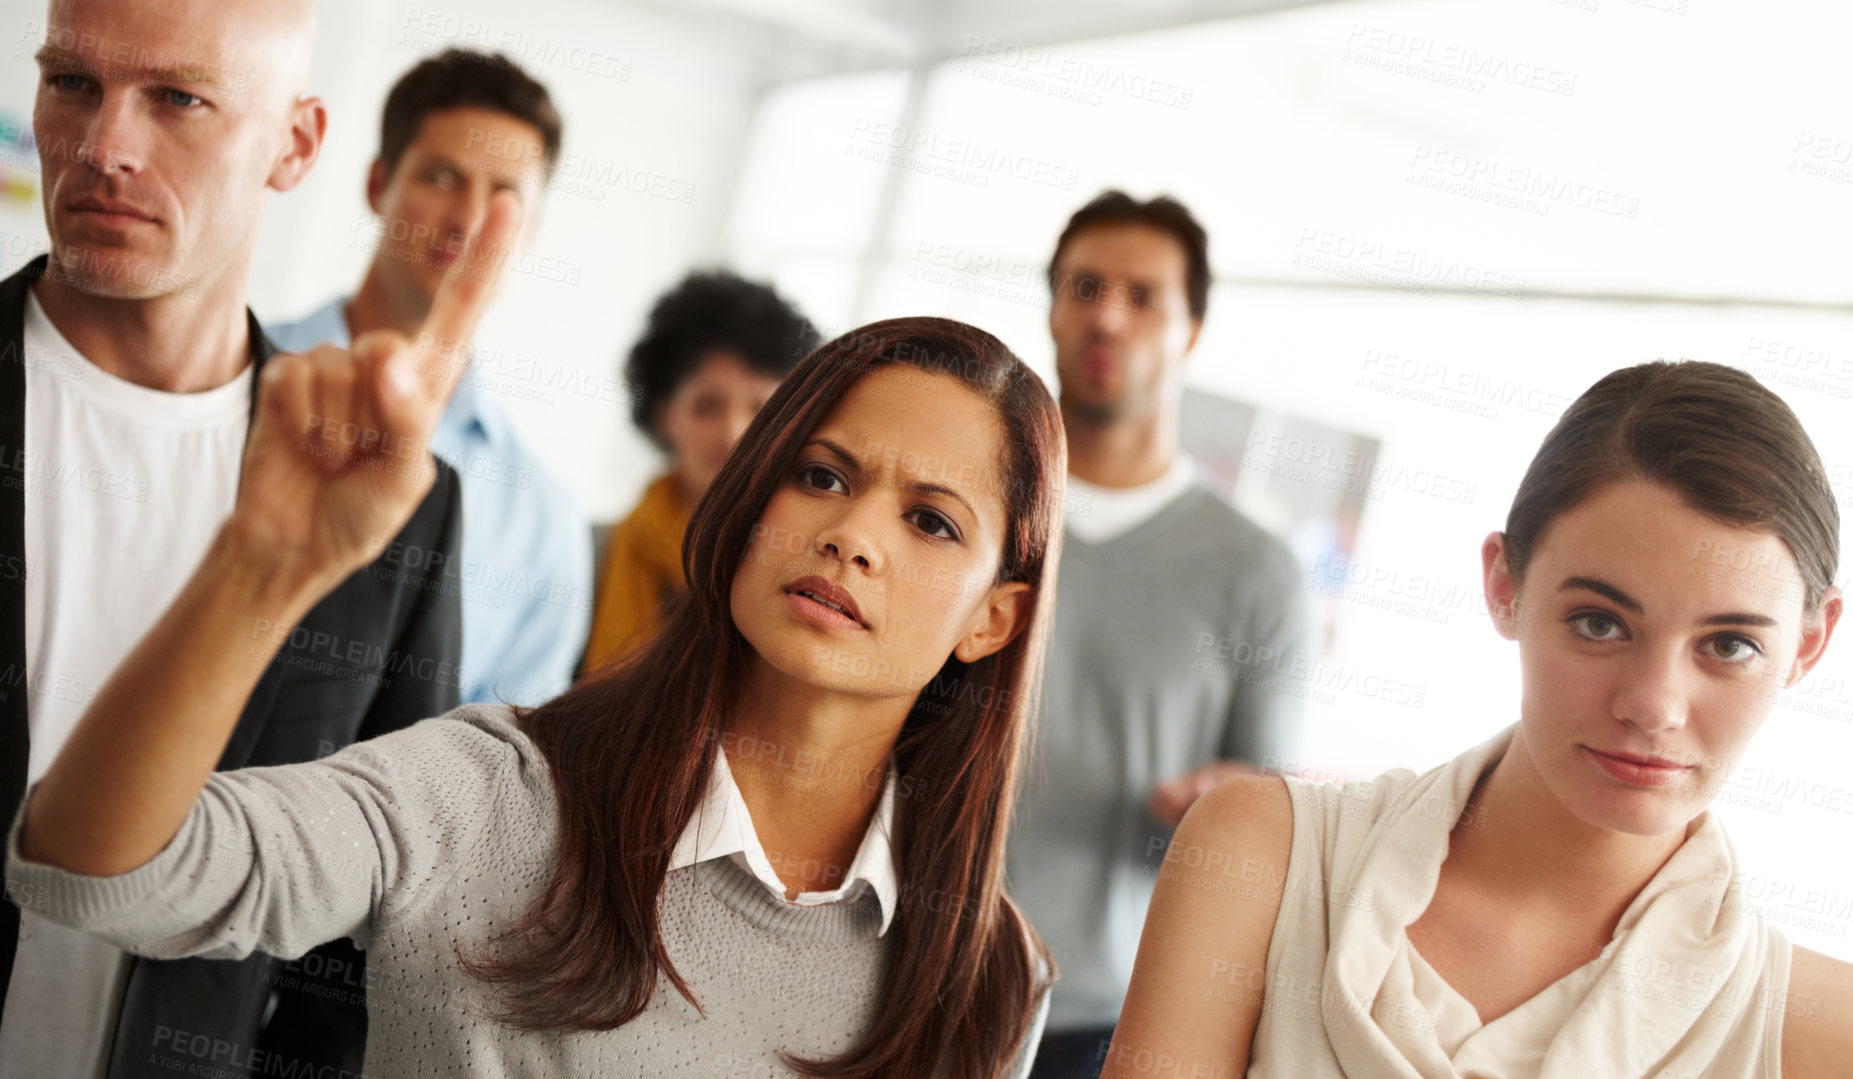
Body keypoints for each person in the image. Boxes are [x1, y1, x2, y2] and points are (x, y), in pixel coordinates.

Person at [6, 287, 1062, 1075]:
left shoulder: (992, 976)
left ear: (992, 617)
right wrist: (260, 567)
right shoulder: (491, 790)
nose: (849, 535)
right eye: (821, 475)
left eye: (929, 520)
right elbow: (101, 871)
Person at [1110, 360, 1853, 1078]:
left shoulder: (1824, 1029)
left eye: (1729, 644)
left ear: (1808, 644)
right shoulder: (1264, 857)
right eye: (1599, 623)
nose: (1653, 705)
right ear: (1504, 584)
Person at [0, 3, 467, 1077]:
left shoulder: (394, 496)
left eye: (178, 98)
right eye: (72, 83)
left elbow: (368, 927)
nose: (104, 146)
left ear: (295, 145)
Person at [1009, 190, 1312, 1078]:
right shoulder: (968, 514)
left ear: (1191, 330)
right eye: (1085, 285)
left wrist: (1224, 805)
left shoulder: (1255, 571)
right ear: (1053, 304)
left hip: (1104, 1020)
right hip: (904, 969)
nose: (1107, 313)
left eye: (1143, 296)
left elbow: (1264, 818)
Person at [268, 48, 592, 708]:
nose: (470, 220)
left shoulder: (544, 522)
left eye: (505, 196)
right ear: (377, 184)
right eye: (442, 177)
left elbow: (504, 767)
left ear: (531, 229)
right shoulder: (231, 372)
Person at [582, 270, 819, 671]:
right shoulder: (587, 554)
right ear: (664, 416)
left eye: (760, 409)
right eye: (708, 405)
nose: (734, 432)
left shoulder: (809, 572)